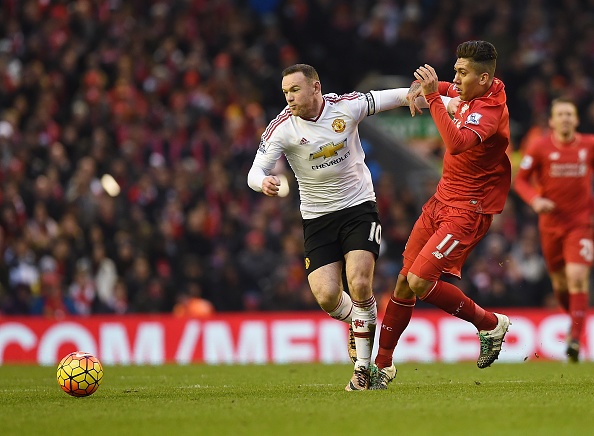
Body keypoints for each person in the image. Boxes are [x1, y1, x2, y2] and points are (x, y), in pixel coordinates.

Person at [247, 63, 453, 390]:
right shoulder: (282, 127)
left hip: (358, 208)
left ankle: (363, 369)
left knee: (358, 283)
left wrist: (449, 104)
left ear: (315, 87)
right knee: (328, 296)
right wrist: (264, 182)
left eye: (295, 90)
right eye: (285, 92)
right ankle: (359, 323)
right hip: (317, 218)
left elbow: (399, 96)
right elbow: (254, 172)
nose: (289, 98)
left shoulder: (346, 106)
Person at [371, 40, 512, 390]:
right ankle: (382, 365)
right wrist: (418, 89)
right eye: (456, 71)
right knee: (404, 282)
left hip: (467, 210)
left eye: (463, 73)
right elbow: (445, 88)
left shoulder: (490, 110)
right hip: (441, 200)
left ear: (483, 78)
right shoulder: (471, 91)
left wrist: (433, 97)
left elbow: (458, 143)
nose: (456, 78)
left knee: (420, 281)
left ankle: (490, 324)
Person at [514, 97, 594, 362]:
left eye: (569, 114)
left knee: (577, 276)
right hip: (550, 225)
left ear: (577, 120)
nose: (565, 118)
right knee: (560, 282)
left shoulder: (589, 145)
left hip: (580, 224)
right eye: (560, 114)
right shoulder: (540, 147)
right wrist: (535, 200)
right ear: (551, 121)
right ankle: (575, 321)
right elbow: (521, 181)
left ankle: (575, 337)